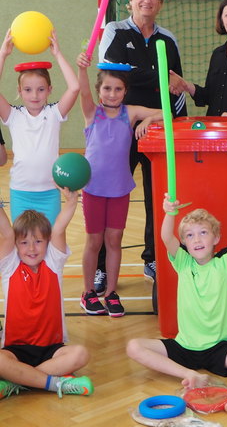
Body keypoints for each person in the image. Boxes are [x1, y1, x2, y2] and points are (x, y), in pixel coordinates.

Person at [126, 182, 227, 422]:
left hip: (219, 348)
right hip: (184, 347)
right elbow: (166, 237)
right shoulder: (183, 263)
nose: (196, 239)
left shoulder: (225, 263)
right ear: (184, 242)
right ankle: (189, 374)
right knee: (133, 346)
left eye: (203, 232)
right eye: (189, 235)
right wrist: (168, 213)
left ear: (216, 237)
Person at [97, 0, 187, 289]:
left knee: (156, 197)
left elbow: (175, 87)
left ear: (160, 3)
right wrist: (159, 75)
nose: (146, 1)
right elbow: (112, 73)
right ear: (129, 1)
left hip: (159, 130)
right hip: (120, 128)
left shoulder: (168, 39)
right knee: (112, 196)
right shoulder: (115, 32)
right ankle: (101, 267)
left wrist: (173, 126)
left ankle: (152, 258)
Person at [77, 54, 163, 317]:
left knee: (114, 240)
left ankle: (111, 292)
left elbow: (165, 112)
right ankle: (88, 292)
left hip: (119, 190)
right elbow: (81, 92)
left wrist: (147, 121)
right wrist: (82, 69)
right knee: (94, 241)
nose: (112, 94)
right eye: (106, 88)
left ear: (125, 91)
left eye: (117, 89)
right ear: (98, 90)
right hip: (93, 189)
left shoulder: (131, 112)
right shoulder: (92, 113)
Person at [0, 188, 93, 400]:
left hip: (52, 349)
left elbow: (59, 229)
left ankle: (18, 381)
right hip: (16, 350)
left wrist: (71, 202)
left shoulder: (53, 262)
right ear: (16, 245)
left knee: (80, 354)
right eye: (24, 242)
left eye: (39, 241)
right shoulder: (9, 266)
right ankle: (55, 383)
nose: (31, 248)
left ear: (48, 242)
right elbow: (6, 233)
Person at [0, 30, 79, 225]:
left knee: (50, 245)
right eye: (27, 90)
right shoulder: (13, 115)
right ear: (19, 91)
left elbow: (75, 87)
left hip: (49, 192)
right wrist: (3, 54)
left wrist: (58, 54)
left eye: (41, 89)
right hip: (20, 192)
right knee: (23, 246)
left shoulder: (53, 113)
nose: (34, 95)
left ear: (50, 90)